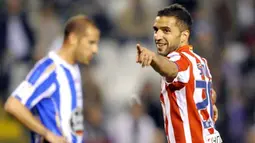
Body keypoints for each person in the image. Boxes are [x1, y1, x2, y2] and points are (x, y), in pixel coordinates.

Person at [4, 15, 100, 143]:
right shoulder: (50, 70)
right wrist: (46, 133)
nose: (95, 50)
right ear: (73, 39)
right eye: (90, 43)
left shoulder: (74, 68)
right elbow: (13, 105)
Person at [136, 4, 222, 143]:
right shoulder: (201, 62)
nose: (158, 36)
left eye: (166, 31)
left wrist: (153, 58)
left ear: (184, 36)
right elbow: (209, 94)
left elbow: (171, 69)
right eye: (156, 30)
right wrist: (209, 108)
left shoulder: (179, 59)